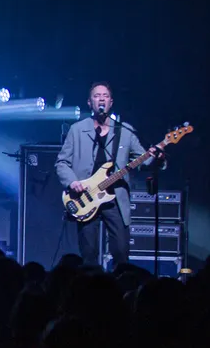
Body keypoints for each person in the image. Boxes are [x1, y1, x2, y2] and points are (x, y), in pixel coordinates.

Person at [56, 82, 164, 268]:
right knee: (89, 252)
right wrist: (72, 182)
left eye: (105, 96)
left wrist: (157, 158)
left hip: (115, 199)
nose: (101, 99)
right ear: (89, 102)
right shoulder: (77, 130)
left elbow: (143, 160)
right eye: (97, 96)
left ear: (111, 102)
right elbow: (62, 163)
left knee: (121, 251)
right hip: (86, 197)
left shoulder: (125, 131)